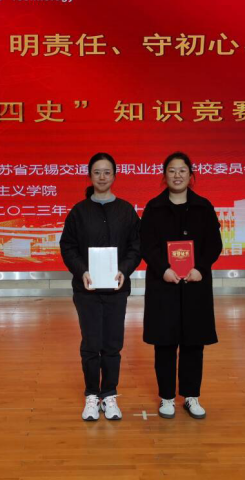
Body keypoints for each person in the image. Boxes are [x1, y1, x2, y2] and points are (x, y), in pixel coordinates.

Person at [140, 152, 223, 419]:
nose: (177, 175)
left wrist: (201, 268)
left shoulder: (203, 207)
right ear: (164, 176)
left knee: (193, 342)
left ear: (191, 175)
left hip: (195, 284)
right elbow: (147, 245)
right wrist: (163, 269)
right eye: (172, 171)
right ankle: (166, 398)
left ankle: (191, 396)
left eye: (182, 170)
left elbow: (214, 244)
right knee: (164, 343)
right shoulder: (154, 208)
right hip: (163, 284)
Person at [60, 153, 142, 422]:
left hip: (117, 289)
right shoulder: (79, 212)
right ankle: (92, 395)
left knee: (113, 344)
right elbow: (68, 246)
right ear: (90, 176)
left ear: (114, 176)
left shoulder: (126, 211)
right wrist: (82, 271)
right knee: (91, 343)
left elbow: (136, 246)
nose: (102, 177)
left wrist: (124, 270)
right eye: (97, 172)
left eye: (107, 172)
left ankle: (109, 394)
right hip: (87, 290)